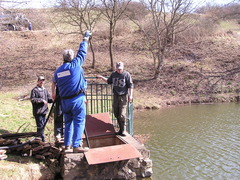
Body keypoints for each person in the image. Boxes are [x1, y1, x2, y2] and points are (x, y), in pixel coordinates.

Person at [52, 31, 92, 153]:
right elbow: (82, 52)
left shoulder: (58, 71)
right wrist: (85, 39)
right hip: (77, 99)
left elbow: (53, 82)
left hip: (65, 102)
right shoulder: (75, 65)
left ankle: (67, 145)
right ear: (72, 57)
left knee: (68, 122)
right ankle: (76, 145)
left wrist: (53, 93)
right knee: (79, 121)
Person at [97, 62, 133, 136]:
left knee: (122, 114)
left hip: (123, 96)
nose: (119, 70)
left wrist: (130, 95)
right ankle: (120, 129)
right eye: (118, 69)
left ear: (123, 68)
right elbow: (108, 81)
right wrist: (101, 77)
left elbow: (130, 85)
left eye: (120, 69)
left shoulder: (126, 74)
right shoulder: (113, 74)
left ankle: (124, 130)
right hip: (116, 95)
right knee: (116, 113)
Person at [30, 75, 53, 142]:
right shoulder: (34, 90)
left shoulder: (45, 90)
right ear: (37, 81)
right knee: (40, 126)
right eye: (40, 80)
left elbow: (48, 99)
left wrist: (53, 100)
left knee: (42, 126)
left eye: (43, 80)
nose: (42, 82)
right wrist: (41, 100)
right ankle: (42, 140)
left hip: (44, 111)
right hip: (38, 112)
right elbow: (33, 100)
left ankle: (39, 139)